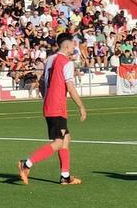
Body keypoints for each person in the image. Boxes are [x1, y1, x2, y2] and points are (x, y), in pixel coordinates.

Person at [17, 32, 87, 186]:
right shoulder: (67, 63)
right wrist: (81, 106)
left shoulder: (50, 59)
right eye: (73, 44)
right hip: (57, 106)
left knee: (66, 139)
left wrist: (47, 97)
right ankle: (26, 164)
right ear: (67, 45)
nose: (74, 47)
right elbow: (70, 86)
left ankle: (65, 176)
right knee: (59, 142)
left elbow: (42, 82)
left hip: (50, 104)